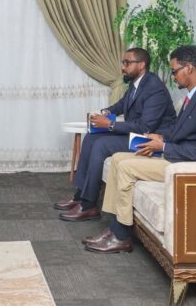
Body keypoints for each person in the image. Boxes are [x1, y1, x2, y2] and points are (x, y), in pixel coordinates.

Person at [85, 45, 196, 253]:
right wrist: (160, 137)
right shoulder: (195, 96)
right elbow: (183, 131)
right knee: (118, 159)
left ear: (189, 68)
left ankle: (121, 236)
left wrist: (163, 146)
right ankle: (113, 228)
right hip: (178, 155)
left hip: (190, 168)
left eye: (174, 71)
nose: (173, 77)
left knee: (126, 168)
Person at [55, 48, 175, 222]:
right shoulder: (136, 83)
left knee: (101, 144)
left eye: (127, 63)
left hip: (149, 141)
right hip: (136, 134)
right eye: (123, 62)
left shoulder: (155, 88)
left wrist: (110, 124)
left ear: (141, 65)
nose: (123, 67)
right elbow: (121, 105)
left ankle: (89, 206)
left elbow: (145, 126)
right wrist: (104, 113)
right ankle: (80, 195)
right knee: (91, 137)